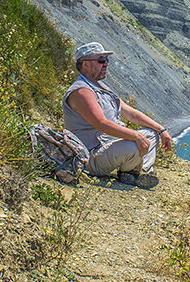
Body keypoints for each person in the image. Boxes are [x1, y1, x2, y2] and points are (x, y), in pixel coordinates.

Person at [62, 42, 172, 189]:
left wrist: (161, 130)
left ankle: (139, 172)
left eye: (107, 60)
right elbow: (101, 123)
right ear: (86, 65)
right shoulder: (82, 92)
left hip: (110, 148)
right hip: (92, 155)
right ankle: (134, 171)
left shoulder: (100, 87)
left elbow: (130, 113)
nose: (106, 64)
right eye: (101, 60)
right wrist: (136, 136)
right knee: (133, 145)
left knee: (152, 134)